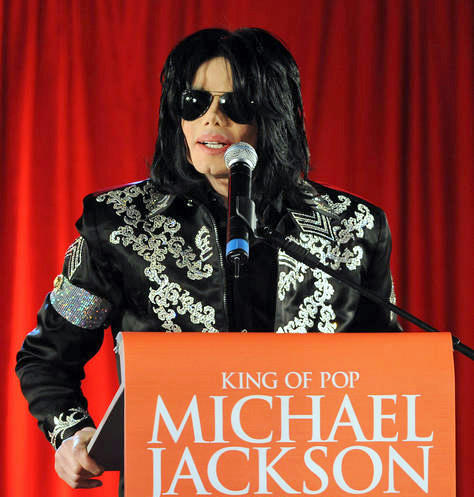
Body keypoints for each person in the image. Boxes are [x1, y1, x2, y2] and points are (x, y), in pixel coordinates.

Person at [16, 27, 401, 492]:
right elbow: (47, 356)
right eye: (194, 102)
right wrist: (71, 434)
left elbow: (389, 369)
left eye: (235, 104)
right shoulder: (118, 225)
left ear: (274, 114)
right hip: (171, 479)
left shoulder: (353, 227)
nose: (211, 118)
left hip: (313, 478)